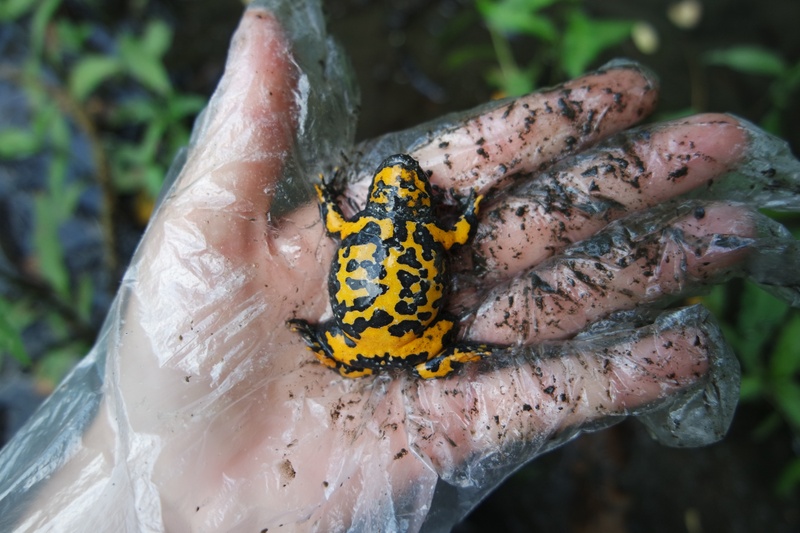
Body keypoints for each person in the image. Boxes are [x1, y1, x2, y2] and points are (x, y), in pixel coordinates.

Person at [1, 1, 796, 531]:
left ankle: (365, 347)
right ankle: (420, 352)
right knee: (437, 337)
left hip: (368, 339)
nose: (401, 184)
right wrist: (468, 207)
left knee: (396, 338)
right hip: (399, 336)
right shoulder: (431, 229)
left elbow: (348, 219)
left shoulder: (361, 221)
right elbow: (460, 232)